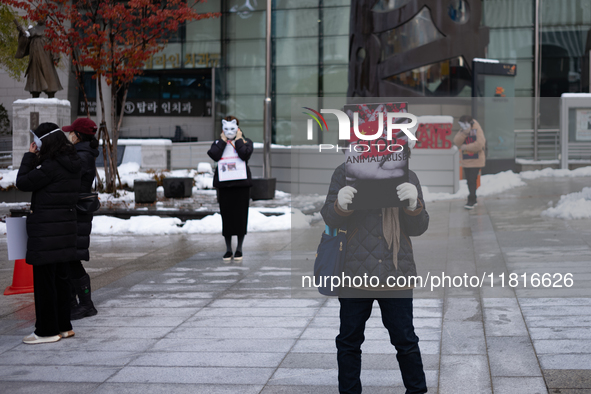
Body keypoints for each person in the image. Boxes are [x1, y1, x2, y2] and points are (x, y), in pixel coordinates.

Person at [321, 140, 429, 394]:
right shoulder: (344, 173)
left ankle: (417, 390)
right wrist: (340, 204)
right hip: (354, 273)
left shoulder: (407, 175)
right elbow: (329, 216)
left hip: (396, 272)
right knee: (349, 341)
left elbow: (418, 228)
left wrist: (413, 205)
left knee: (405, 340)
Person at [16, 122, 81, 344]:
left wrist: (29, 156)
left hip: (47, 233)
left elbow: (23, 182)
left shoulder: (50, 166)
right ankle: (64, 326)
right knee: (62, 281)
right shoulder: (71, 162)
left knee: (45, 283)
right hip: (64, 231)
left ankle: (46, 331)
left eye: (38, 140)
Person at [62, 118, 100, 320]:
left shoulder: (81, 156)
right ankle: (75, 303)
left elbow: (69, 183)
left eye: (71, 132)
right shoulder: (83, 154)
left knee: (73, 260)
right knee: (70, 259)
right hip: (77, 212)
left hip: (76, 213)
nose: (69, 136)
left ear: (78, 135)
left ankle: (86, 304)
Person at [207, 116, 254, 262]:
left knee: (241, 216)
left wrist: (238, 139)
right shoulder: (218, 143)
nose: (229, 131)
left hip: (241, 186)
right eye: (225, 128)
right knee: (226, 217)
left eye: (232, 128)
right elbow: (213, 155)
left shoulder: (246, 142)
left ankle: (239, 248)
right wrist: (222, 141)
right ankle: (228, 249)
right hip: (225, 186)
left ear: (238, 128)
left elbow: (245, 154)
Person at [14, 17, 63, 98]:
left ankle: (51, 95)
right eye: (38, 16)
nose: (40, 18)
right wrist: (23, 34)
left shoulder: (49, 30)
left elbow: (55, 42)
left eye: (42, 16)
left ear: (45, 17)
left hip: (46, 56)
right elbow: (25, 42)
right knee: (34, 78)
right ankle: (35, 93)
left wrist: (56, 55)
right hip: (35, 57)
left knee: (49, 77)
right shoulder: (32, 30)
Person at [453, 115, 486, 209]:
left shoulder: (477, 129)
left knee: (472, 180)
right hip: (466, 159)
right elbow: (457, 141)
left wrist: (466, 147)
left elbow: (480, 144)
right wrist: (464, 133)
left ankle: (471, 199)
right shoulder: (464, 130)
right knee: (469, 180)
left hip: (476, 160)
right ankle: (473, 198)